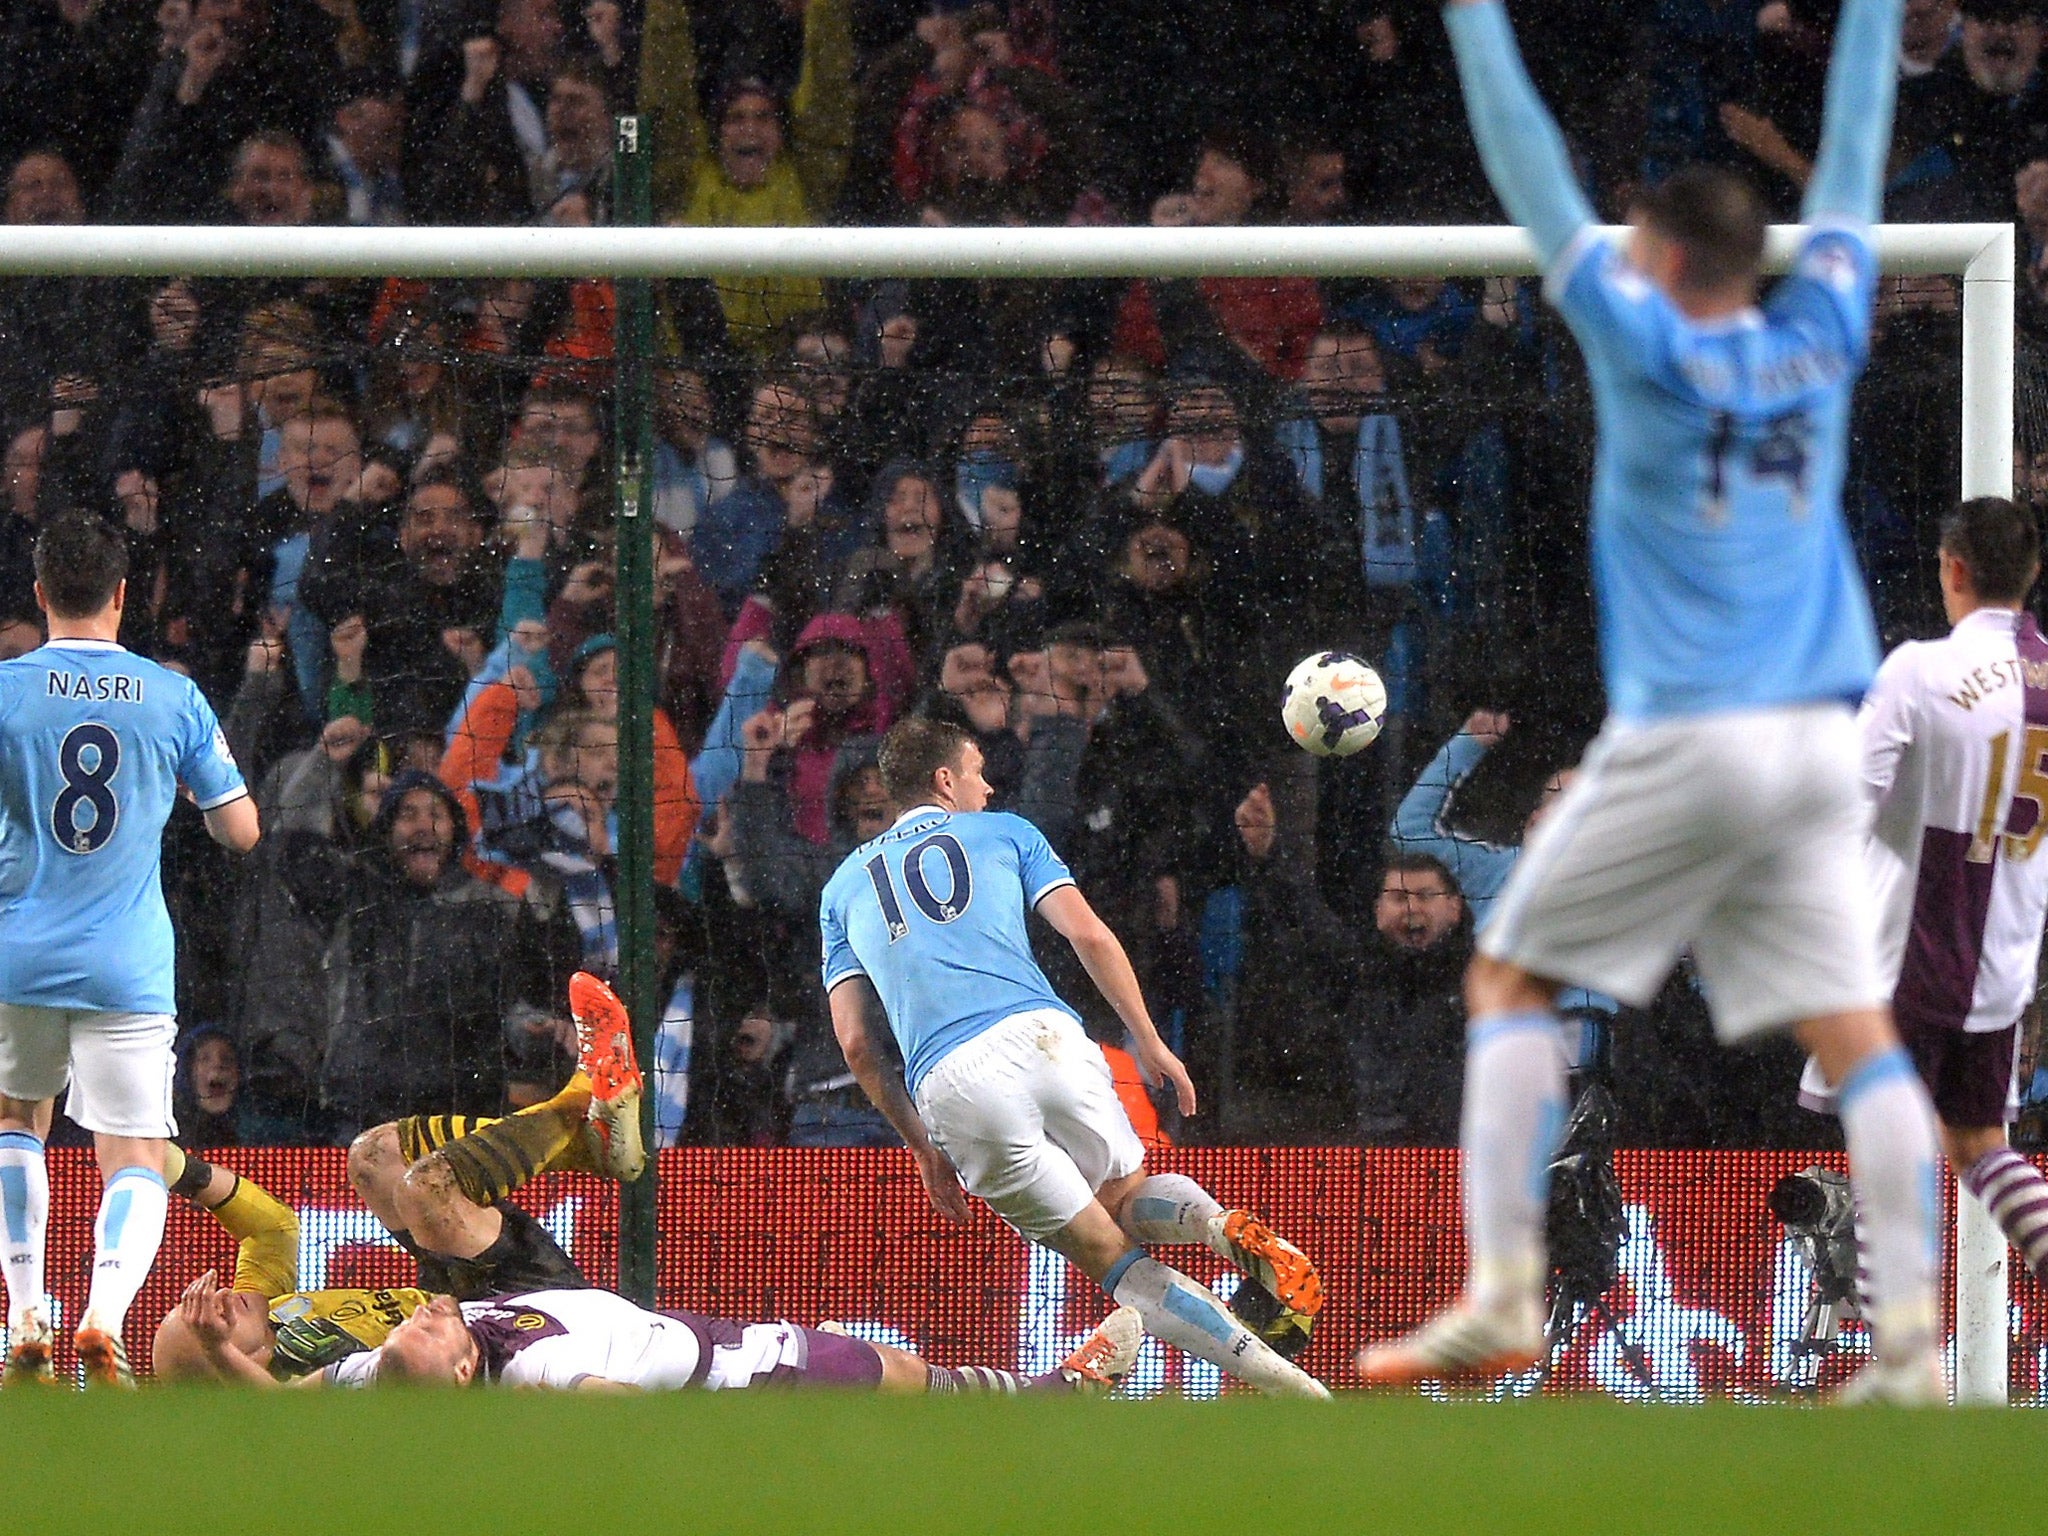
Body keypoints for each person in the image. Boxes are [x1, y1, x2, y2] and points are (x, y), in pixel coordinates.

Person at [1361, 0, 1949, 1405]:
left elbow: (1527, 165)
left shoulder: (1642, 341)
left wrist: (1475, 23)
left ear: (1667, 256)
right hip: (1822, 741)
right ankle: (1918, 1341)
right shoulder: (1824, 326)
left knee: (1509, 980)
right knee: (1851, 1026)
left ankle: (1504, 1287)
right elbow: (1856, 152)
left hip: (1693, 730)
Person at [820, 716, 1329, 1398]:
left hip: (952, 1080)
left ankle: (1292, 1389)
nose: (988, 784)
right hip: (1046, 1035)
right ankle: (1221, 1225)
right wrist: (1147, 1039)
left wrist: (920, 1146)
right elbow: (1089, 934)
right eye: (977, 772)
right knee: (1124, 1197)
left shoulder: (840, 890)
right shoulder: (1009, 831)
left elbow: (856, 1044)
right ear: (945, 780)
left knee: (1116, 1261)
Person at [0, 514, 262, 1387]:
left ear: (39, 597)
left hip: (19, 952)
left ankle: (25, 1312)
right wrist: (182, 780)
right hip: (129, 962)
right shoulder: (172, 695)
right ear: (120, 595)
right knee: (135, 1152)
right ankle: (103, 1320)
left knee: (15, 1123)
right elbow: (241, 832)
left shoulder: (5, 690)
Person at [153, 971, 646, 1384]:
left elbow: (271, 1227)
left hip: (454, 1292)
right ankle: (577, 1107)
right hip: (505, 1319)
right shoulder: (302, 1387)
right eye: (211, 1320)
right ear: (238, 1362)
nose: (219, 1298)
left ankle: (582, 1145)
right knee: (424, 1193)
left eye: (204, 1303)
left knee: (372, 1157)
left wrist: (174, 1168)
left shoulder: (270, 1311)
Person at [1797, 500, 2048, 1294]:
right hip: (2004, 960)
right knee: (1976, 1141)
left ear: (1954, 569)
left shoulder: (1921, 670)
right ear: (2030, 573)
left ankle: (1900, 1371)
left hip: (1913, 948)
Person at [300, 1285, 1141, 1395]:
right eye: (427, 1327)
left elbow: (300, 1395)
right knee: (897, 1375)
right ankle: (1054, 1398)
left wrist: (227, 1363)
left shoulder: (380, 1380)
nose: (429, 1308)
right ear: (456, 1375)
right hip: (743, 1376)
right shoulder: (534, 1374)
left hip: (712, 1339)